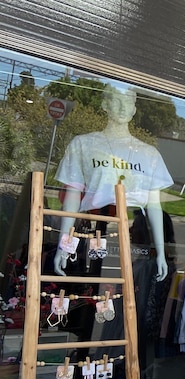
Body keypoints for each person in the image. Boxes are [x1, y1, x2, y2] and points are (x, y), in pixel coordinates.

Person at [53, 85, 174, 282]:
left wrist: (160, 251)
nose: (122, 107)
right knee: (90, 287)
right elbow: (73, 195)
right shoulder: (84, 144)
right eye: (116, 100)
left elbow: (153, 205)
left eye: (128, 102)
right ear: (105, 104)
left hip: (134, 234)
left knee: (127, 294)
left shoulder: (149, 153)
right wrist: (62, 244)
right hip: (94, 228)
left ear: (134, 109)